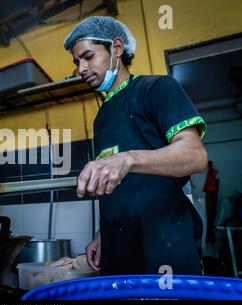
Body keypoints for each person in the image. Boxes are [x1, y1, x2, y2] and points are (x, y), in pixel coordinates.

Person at [64, 16, 208, 275]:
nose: (81, 68)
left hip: (165, 241)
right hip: (118, 246)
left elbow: (195, 156)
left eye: (88, 56)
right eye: (77, 62)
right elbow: (116, 186)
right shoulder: (102, 117)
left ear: (116, 49)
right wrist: (102, 234)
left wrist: (127, 159)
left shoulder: (157, 88)